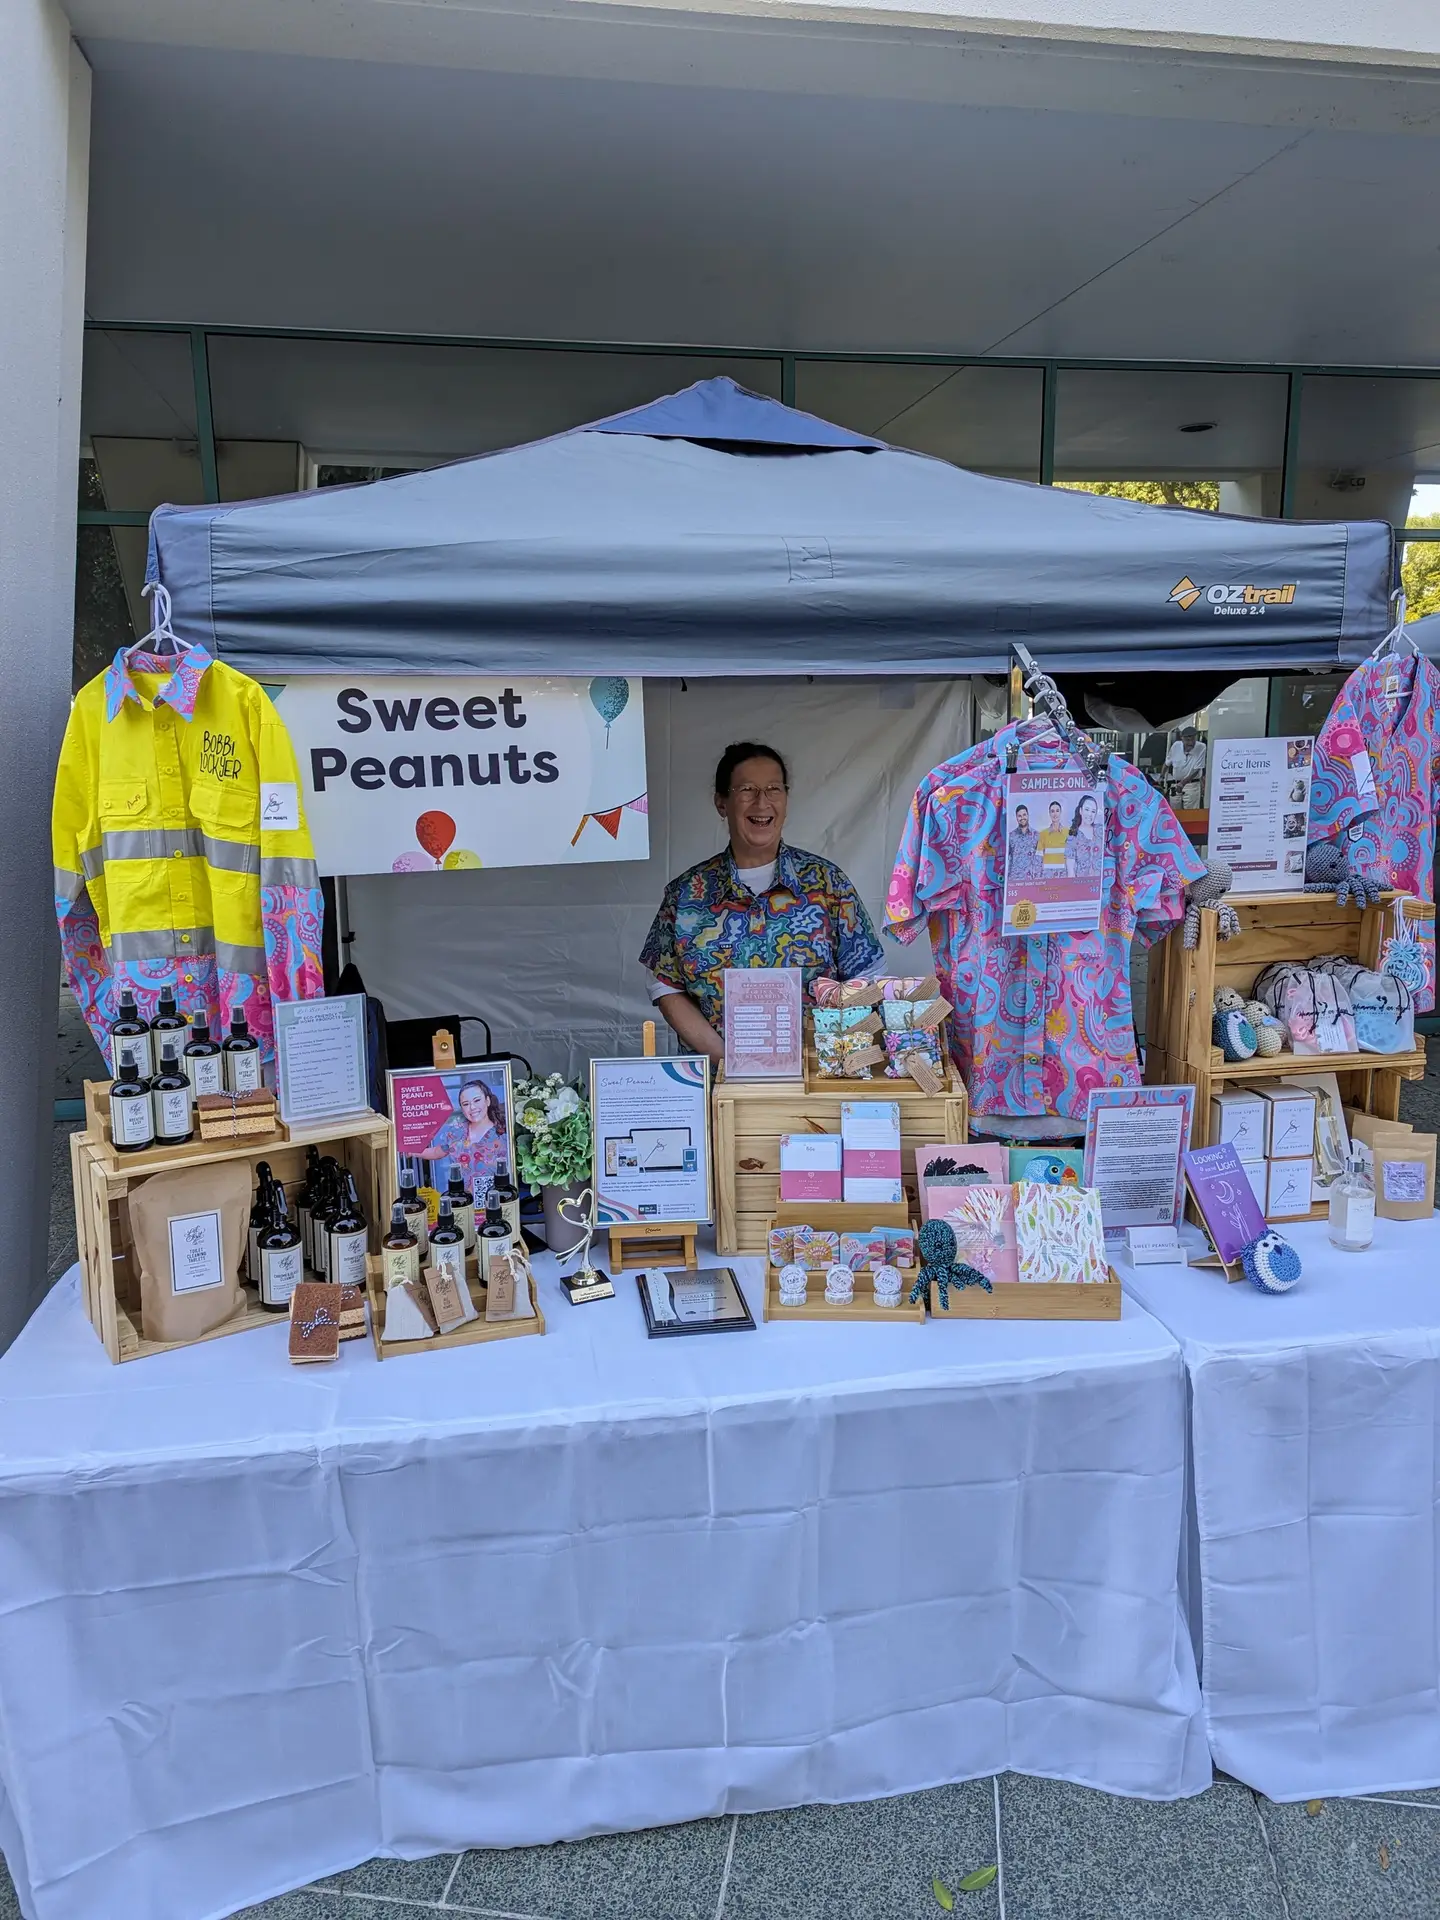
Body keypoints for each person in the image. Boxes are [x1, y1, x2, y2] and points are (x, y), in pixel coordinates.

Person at [640, 742, 884, 1063]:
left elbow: (869, 977)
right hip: (720, 1086)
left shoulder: (827, 884)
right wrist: (729, 1061)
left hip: (815, 1081)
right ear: (721, 803)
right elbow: (665, 987)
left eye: (773, 789)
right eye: (746, 790)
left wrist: (823, 1054)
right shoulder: (686, 894)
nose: (762, 802)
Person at [425, 1076, 508, 1199]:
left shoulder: (502, 1133)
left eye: (477, 1100)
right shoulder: (456, 1132)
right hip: (463, 1201)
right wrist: (412, 1151)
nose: (472, 1107)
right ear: (462, 1109)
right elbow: (437, 1152)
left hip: (497, 1199)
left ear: (488, 1101)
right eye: (466, 1104)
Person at [1165, 726, 1208, 804]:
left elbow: (1197, 769)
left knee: (1190, 813)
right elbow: (1167, 763)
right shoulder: (1176, 745)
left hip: (1191, 785)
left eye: (1193, 740)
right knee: (1175, 812)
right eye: (1188, 740)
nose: (1191, 743)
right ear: (1182, 738)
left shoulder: (1201, 747)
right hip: (1175, 784)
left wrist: (1182, 783)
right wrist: (1161, 778)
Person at [1066, 791, 1103, 876]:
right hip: (1081, 885)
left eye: (1093, 811)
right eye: (1087, 809)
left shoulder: (1100, 830)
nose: (1090, 814)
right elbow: (1070, 870)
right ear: (1080, 811)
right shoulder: (1072, 836)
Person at [1006, 804, 1040, 883]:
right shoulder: (1011, 837)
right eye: (1019, 816)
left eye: (1024, 815)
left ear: (1028, 815)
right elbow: (1007, 858)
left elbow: (1040, 859)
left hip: (1032, 880)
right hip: (1015, 880)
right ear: (1016, 818)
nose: (1022, 818)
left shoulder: (1037, 835)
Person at [1037, 800, 1069, 876]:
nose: (1055, 814)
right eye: (1052, 811)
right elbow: (1038, 858)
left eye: (1057, 811)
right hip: (1047, 875)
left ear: (1061, 812)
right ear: (1049, 813)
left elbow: (1071, 857)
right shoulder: (1042, 834)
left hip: (1064, 874)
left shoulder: (1068, 833)